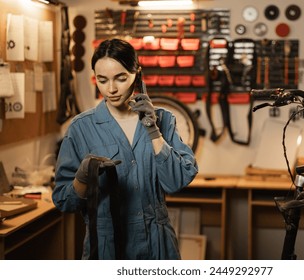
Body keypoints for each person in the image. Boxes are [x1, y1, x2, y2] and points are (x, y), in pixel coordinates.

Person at [52, 38, 198, 260]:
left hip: (157, 244)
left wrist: (154, 133)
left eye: (121, 78)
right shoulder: (81, 128)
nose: (111, 89)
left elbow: (177, 180)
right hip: (106, 246)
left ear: (137, 74)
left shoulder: (164, 119)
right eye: (102, 80)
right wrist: (82, 180)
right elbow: (64, 201)